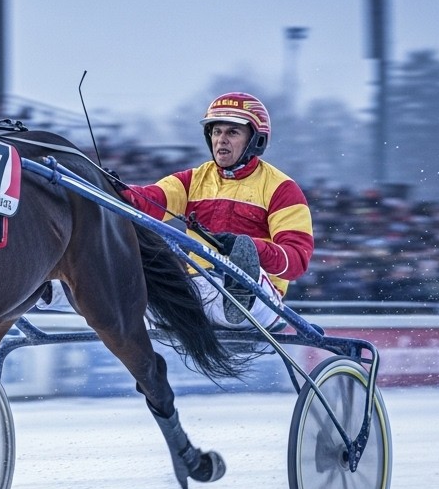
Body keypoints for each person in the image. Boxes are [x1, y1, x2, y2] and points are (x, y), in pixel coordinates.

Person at [120, 92, 313, 329]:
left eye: (232, 132)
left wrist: (249, 249)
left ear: (255, 140)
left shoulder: (282, 189)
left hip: (262, 301)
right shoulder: (192, 180)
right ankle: (65, 289)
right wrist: (112, 189)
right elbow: (147, 201)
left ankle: (237, 291)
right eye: (216, 131)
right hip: (199, 292)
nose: (221, 139)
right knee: (140, 271)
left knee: (241, 264)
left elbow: (296, 262)